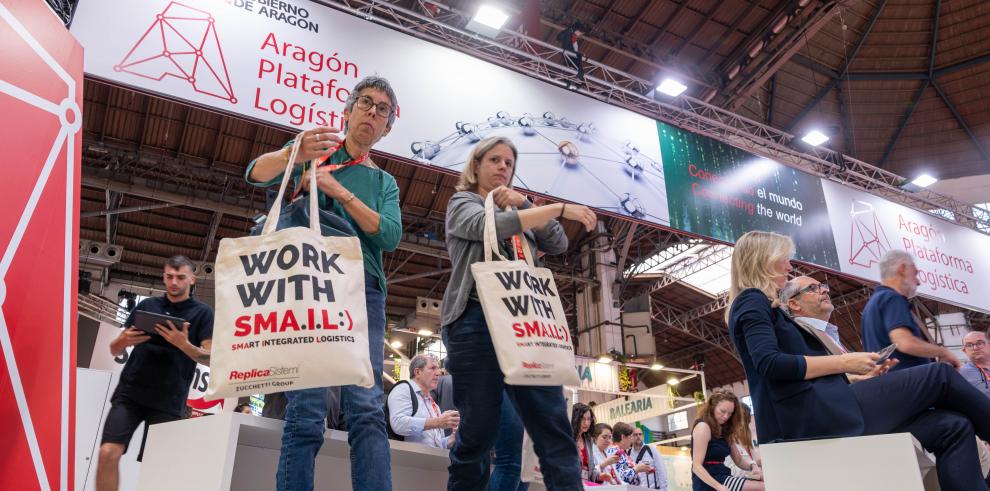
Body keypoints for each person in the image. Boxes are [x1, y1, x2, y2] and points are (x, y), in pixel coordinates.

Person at [727, 230, 990, 491]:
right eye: (783, 258)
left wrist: (856, 375)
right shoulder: (752, 300)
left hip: (823, 408)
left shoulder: (763, 306)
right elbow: (771, 363)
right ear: (764, 260)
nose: (789, 266)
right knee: (939, 375)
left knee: (953, 427)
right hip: (815, 414)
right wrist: (845, 363)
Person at [245, 76, 402, 491]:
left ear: (387, 127)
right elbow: (255, 173)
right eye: (365, 102)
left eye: (382, 109)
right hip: (311, 283)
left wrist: (338, 191)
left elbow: (389, 236)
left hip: (363, 288)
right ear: (347, 111)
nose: (372, 112)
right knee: (307, 407)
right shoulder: (314, 150)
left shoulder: (385, 182)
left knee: (367, 407)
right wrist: (291, 153)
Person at [440, 136, 596, 490]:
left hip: (526, 325)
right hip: (475, 321)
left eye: (509, 163)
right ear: (476, 165)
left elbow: (558, 242)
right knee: (477, 434)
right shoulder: (463, 202)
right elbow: (488, 226)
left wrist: (525, 202)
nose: (503, 167)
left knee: (553, 427)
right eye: (494, 160)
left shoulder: (520, 212)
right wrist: (557, 208)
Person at [95, 256, 213, 491]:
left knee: (159, 468)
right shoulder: (147, 306)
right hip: (130, 393)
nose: (174, 282)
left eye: (180, 277)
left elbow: (210, 357)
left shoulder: (203, 313)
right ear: (163, 277)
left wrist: (183, 344)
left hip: (169, 400)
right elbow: (114, 349)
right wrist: (122, 340)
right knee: (107, 453)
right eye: (169, 276)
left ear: (192, 279)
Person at [779, 276, 899, 382]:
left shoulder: (825, 332)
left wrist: (866, 374)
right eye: (812, 288)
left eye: (822, 286)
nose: (825, 290)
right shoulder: (794, 332)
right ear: (794, 304)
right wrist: (854, 379)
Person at [861, 250, 960, 370]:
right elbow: (905, 343)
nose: (918, 282)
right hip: (906, 376)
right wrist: (943, 352)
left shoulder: (871, 306)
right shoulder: (892, 298)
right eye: (915, 274)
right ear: (902, 269)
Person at [690, 390, 763, 491]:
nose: (726, 416)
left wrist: (752, 465)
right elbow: (696, 466)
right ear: (712, 407)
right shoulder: (703, 427)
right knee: (762, 487)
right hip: (708, 481)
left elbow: (739, 460)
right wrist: (718, 486)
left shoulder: (726, 430)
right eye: (723, 411)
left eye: (730, 413)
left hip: (723, 476)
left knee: (766, 482)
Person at [386, 354, 459, 448]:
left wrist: (454, 438)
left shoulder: (434, 405)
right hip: (405, 457)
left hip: (429, 457)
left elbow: (436, 445)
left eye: (438, 368)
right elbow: (399, 424)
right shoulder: (403, 389)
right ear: (417, 372)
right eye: (433, 368)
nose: (438, 373)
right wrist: (438, 422)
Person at [572, 403, 604, 483]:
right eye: (582, 419)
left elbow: (591, 469)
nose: (586, 423)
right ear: (575, 419)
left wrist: (599, 476)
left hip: (587, 485)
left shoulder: (588, 440)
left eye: (589, 419)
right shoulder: (567, 438)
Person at [631, 425, 668, 490]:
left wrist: (663, 489)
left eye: (640, 434)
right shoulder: (628, 453)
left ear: (643, 436)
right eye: (635, 435)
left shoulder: (652, 450)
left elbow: (661, 471)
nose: (638, 436)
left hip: (653, 488)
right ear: (631, 437)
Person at [961, 331, 990, 398]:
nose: (975, 348)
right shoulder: (961, 374)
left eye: (979, 343)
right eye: (969, 345)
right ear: (965, 351)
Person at [556, 21, 586, 85]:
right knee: (577, 60)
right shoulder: (569, 33)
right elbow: (559, 37)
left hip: (571, 54)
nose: (580, 35)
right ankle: (575, 79)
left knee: (575, 62)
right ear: (578, 30)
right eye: (580, 33)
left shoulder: (573, 37)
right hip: (569, 53)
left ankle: (572, 80)